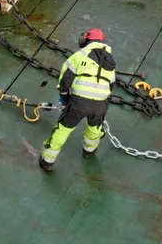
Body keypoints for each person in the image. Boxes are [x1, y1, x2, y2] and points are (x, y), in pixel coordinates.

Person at [39, 28, 116, 171]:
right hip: (100, 105)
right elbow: (111, 85)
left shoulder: (79, 56)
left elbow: (65, 79)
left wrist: (64, 97)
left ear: (87, 39)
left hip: (79, 103)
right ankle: (89, 152)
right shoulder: (109, 61)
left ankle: (47, 161)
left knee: (62, 129)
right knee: (94, 129)